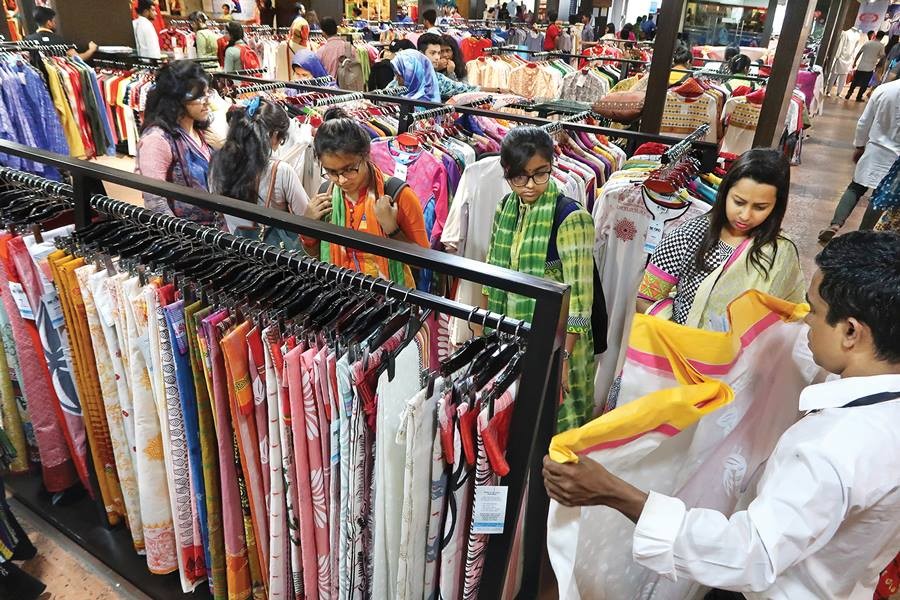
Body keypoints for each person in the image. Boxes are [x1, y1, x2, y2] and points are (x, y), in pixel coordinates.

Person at [544, 229, 900, 600]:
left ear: (850, 331)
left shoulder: (831, 448)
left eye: (814, 311)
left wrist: (615, 493)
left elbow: (751, 554)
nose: (805, 320)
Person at [484, 127, 596, 432]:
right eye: (519, 176)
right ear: (507, 173)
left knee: (553, 428)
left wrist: (563, 358)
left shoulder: (570, 218)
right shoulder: (506, 207)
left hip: (557, 344)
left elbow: (581, 300)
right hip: (512, 336)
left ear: (552, 166)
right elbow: (493, 270)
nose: (530, 185)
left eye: (540, 174)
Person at [636, 149, 805, 330]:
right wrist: (680, 338)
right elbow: (645, 299)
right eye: (738, 202)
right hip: (683, 350)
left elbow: (790, 314)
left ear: (776, 206)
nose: (745, 215)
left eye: (760, 207)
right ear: (725, 193)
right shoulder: (690, 236)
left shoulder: (780, 251)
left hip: (746, 357)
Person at [306, 108, 428, 287]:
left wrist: (393, 230)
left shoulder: (397, 195)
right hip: (338, 301)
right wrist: (308, 226)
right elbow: (316, 256)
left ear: (365, 156)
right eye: (331, 172)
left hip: (388, 305)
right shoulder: (326, 195)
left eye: (349, 169)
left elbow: (423, 262)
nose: (341, 180)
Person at [209, 98, 327, 241]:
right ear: (275, 134)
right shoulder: (280, 171)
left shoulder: (217, 162)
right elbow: (305, 216)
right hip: (270, 253)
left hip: (234, 247)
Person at [136, 60, 218, 225]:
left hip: (215, 232)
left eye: (207, 93)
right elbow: (155, 203)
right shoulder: (157, 140)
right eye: (199, 95)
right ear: (177, 98)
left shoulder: (201, 131)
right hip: (187, 238)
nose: (207, 101)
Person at [818, 78, 900, 243]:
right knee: (880, 198)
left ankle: (835, 224)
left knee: (856, 187)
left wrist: (859, 145)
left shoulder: (884, 89)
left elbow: (864, 121)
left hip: (875, 150)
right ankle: (863, 237)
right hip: (896, 160)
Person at [25, 7, 97, 60]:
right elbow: (78, 58)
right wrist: (91, 50)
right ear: (49, 23)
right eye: (54, 21)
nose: (55, 24)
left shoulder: (27, 40)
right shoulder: (59, 40)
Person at [846, 31, 886, 101]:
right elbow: (882, 56)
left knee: (855, 81)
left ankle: (849, 93)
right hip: (870, 68)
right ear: (882, 37)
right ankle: (858, 97)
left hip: (861, 66)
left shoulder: (868, 43)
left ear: (876, 35)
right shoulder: (881, 46)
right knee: (865, 84)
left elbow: (859, 53)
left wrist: (855, 62)